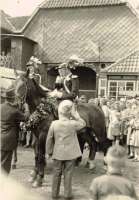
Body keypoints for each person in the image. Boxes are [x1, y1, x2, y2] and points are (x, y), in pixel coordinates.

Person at [46, 100, 86, 199]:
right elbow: (83, 123)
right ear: (69, 113)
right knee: (68, 174)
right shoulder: (73, 123)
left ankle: (54, 194)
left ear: (59, 112)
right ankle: (67, 194)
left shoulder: (54, 124)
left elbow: (49, 139)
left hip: (58, 153)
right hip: (71, 154)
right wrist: (76, 115)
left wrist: (49, 152)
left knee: (56, 174)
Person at [0, 86, 26, 174]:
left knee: (2, 160)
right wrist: (27, 108)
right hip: (8, 141)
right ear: (13, 98)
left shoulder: (1, 107)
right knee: (5, 164)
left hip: (1, 137)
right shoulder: (14, 111)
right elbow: (25, 117)